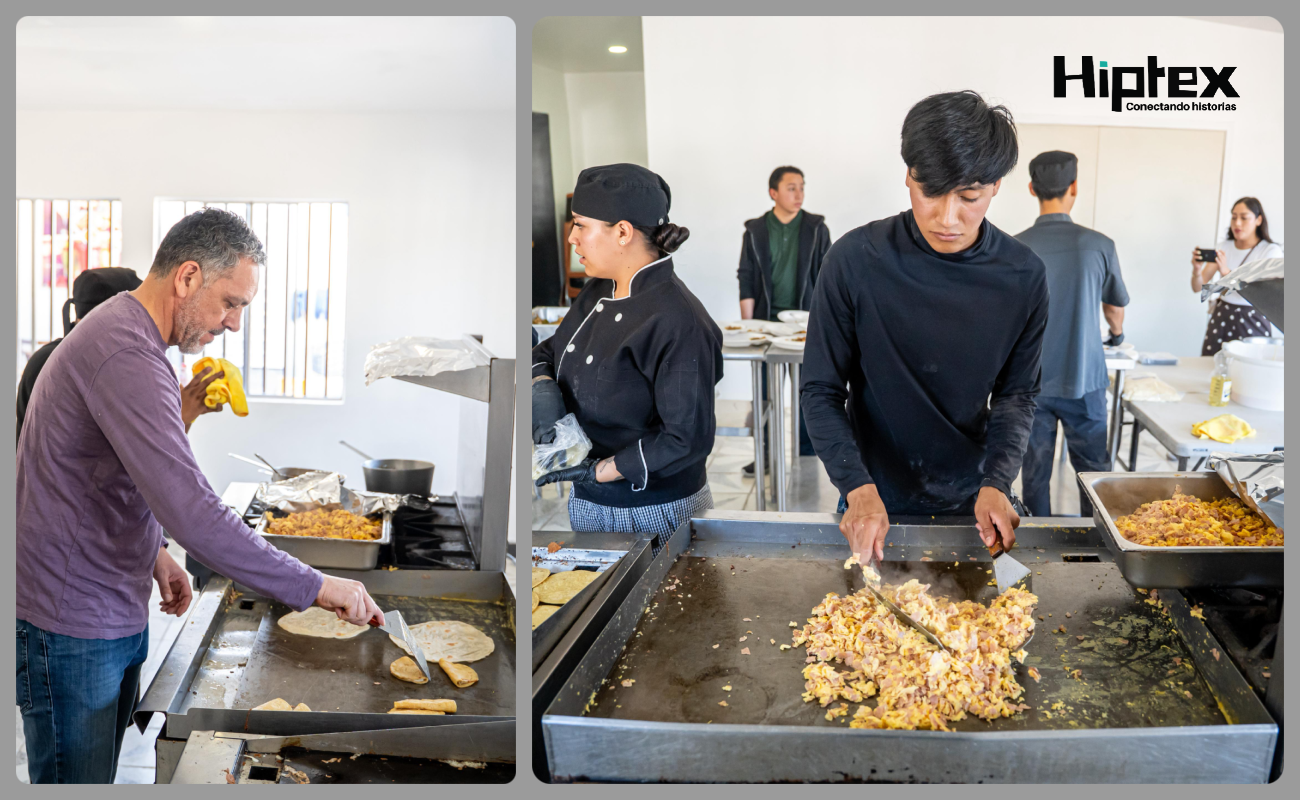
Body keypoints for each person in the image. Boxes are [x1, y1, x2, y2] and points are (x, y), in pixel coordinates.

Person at [16, 208, 384, 784]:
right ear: (187, 277)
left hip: (106, 598)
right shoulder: (127, 354)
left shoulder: (131, 336)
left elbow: (108, 472)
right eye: (230, 303)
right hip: (71, 621)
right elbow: (193, 511)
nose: (234, 324)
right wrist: (316, 585)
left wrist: (154, 553)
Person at [801, 90, 1047, 564]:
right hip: (870, 495)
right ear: (909, 176)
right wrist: (855, 486)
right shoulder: (854, 260)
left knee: (979, 631)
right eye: (930, 192)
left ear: (995, 186)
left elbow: (1018, 394)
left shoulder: (1023, 276)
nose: (947, 217)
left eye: (970, 197)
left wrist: (998, 482)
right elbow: (820, 389)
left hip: (974, 499)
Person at [531, 163, 723, 537]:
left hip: (655, 511)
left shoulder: (678, 321)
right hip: (589, 504)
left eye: (581, 225)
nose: (572, 238)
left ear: (622, 232)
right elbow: (551, 350)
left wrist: (599, 471)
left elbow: (685, 439)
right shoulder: (597, 291)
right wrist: (542, 384)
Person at [1014, 151, 1130, 517]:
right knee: (1094, 474)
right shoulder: (1099, 245)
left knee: (1034, 475)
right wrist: (1117, 335)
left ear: (1032, 189)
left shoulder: (1015, 248)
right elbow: (1114, 308)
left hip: (1031, 384)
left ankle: (1039, 550)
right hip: (1086, 380)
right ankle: (1096, 548)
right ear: (1074, 187)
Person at [16, 267, 226, 443]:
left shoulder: (114, 360)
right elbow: (123, 461)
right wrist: (179, 416)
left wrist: (176, 415)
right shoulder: (60, 363)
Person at [737, 166, 832, 466]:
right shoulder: (755, 230)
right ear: (773, 193)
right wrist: (748, 326)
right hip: (765, 323)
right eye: (791, 188)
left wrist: (825, 324)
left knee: (810, 392)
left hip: (806, 325)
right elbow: (747, 277)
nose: (799, 194)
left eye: (802, 187)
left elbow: (828, 278)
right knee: (764, 393)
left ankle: (807, 454)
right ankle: (764, 456)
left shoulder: (817, 228)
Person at [1190, 196, 1284, 355]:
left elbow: (1264, 293)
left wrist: (1227, 273)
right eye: (1233, 217)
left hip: (1252, 318)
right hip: (1222, 315)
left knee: (1249, 369)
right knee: (1213, 365)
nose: (1237, 223)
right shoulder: (1223, 247)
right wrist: (1197, 270)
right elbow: (1197, 287)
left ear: (1258, 220)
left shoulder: (1270, 251)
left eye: (1244, 218)